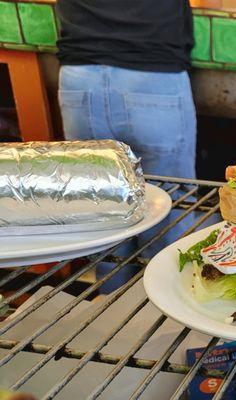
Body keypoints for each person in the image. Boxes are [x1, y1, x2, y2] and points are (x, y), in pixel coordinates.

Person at [56, 0, 197, 291]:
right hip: (154, 76)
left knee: (102, 207)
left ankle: (112, 309)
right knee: (170, 205)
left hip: (80, 78)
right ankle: (166, 313)